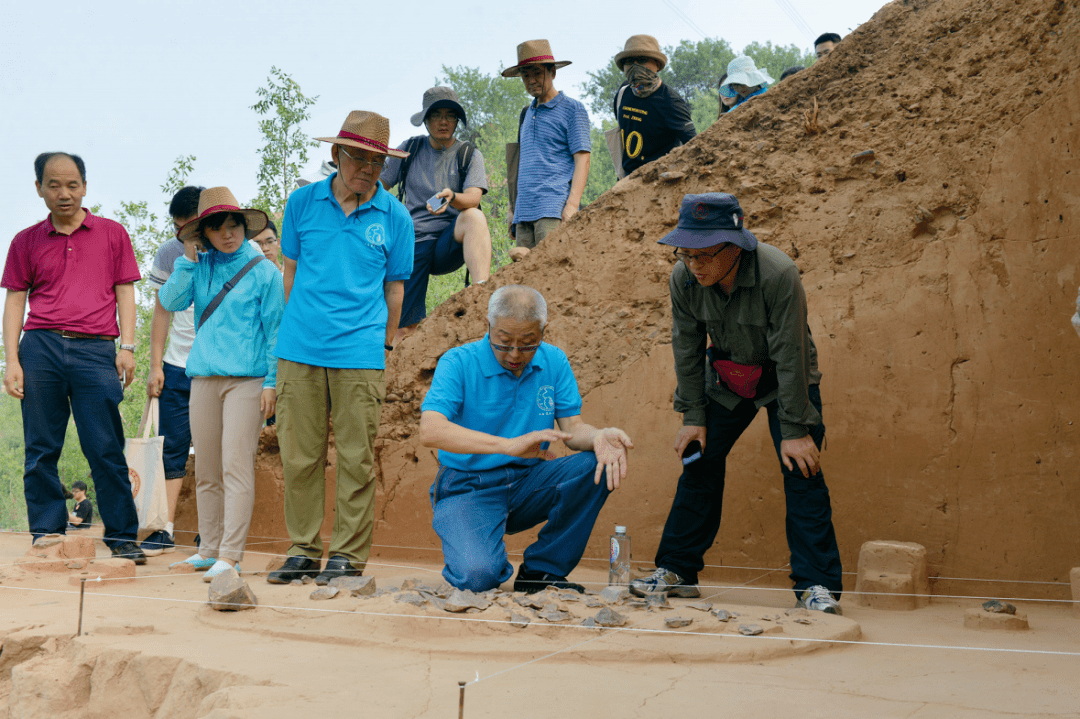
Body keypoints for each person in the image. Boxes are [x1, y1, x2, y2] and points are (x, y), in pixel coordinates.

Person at [630, 193, 844, 615]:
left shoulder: (777, 273)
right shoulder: (684, 278)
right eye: (687, 255)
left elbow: (791, 353)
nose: (695, 265)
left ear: (736, 245)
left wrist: (796, 428)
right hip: (727, 378)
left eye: (705, 255)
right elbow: (686, 348)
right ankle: (677, 570)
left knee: (801, 470)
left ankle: (816, 585)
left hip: (786, 380)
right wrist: (693, 416)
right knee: (698, 461)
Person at [268, 111, 413, 586]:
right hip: (300, 350)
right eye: (359, 158)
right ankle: (303, 550)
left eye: (378, 162)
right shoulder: (302, 204)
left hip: (360, 353)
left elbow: (395, 290)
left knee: (355, 457)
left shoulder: (396, 217)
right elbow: (290, 272)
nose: (368, 169)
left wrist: (386, 344)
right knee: (300, 456)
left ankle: (347, 557)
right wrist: (301, 325)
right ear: (336, 156)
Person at [420, 285, 633, 593]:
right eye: (504, 343)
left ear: (543, 331)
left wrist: (599, 435)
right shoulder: (458, 362)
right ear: (488, 325)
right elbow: (431, 430)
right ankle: (482, 552)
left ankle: (542, 571)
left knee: (593, 463)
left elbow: (574, 428)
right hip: (468, 486)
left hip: (528, 482)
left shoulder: (554, 361)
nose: (515, 355)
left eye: (528, 344)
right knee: (478, 576)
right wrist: (509, 446)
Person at [1, 152, 145, 563]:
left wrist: (128, 347)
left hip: (96, 349)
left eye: (72, 185)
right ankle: (46, 532)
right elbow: (15, 303)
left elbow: (125, 291)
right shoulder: (25, 241)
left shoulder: (112, 234)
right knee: (41, 446)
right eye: (54, 185)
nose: (64, 194)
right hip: (40, 347)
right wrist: (11, 359)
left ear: (85, 186)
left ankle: (121, 535)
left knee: (104, 446)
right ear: (39, 188)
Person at [160, 187, 283, 582]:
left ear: (244, 228)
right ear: (204, 234)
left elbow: (275, 332)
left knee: (236, 466)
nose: (228, 234)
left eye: (234, 226)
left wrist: (272, 382)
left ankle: (230, 555)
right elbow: (170, 299)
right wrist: (188, 260)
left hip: (246, 381)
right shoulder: (200, 266)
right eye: (218, 228)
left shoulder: (263, 270)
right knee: (207, 470)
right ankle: (207, 550)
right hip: (203, 379)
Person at [380, 87, 492, 345]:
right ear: (425, 120)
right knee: (403, 328)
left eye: (450, 116)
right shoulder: (409, 150)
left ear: (456, 121)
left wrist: (453, 196)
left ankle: (481, 292)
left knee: (474, 216)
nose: (443, 122)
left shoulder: (468, 154)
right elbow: (379, 184)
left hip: (448, 240)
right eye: (436, 115)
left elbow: (474, 197)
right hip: (413, 241)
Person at [144, 185, 205, 556]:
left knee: (216, 449)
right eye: (179, 227)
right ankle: (162, 528)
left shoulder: (228, 246)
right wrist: (155, 365)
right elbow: (161, 312)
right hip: (177, 366)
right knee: (172, 447)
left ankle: (211, 530)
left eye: (191, 226)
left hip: (218, 365)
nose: (184, 234)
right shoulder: (168, 253)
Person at [502, 39, 591, 249]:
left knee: (552, 274)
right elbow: (520, 165)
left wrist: (572, 206)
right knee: (524, 278)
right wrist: (511, 209)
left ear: (552, 72)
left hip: (553, 210)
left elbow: (583, 159)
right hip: (523, 213)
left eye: (537, 73)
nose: (531, 80)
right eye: (526, 75)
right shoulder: (526, 114)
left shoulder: (572, 109)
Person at [612, 35, 696, 176]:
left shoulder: (670, 100)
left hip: (656, 183)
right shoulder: (623, 93)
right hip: (626, 180)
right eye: (630, 61)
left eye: (643, 60)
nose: (635, 66)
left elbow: (694, 144)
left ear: (657, 65)